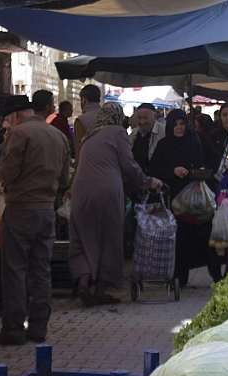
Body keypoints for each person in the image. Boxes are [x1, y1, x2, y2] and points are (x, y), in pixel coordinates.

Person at [0, 95, 71, 346]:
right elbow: (64, 179)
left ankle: (12, 329)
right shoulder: (58, 136)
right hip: (46, 212)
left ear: (14, 116)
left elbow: (8, 172)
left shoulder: (20, 134)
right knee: (41, 270)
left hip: (21, 210)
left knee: (15, 270)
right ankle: (38, 328)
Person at [69, 103, 162, 307]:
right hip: (107, 192)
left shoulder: (88, 136)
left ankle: (83, 284)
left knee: (84, 239)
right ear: (118, 117)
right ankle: (100, 291)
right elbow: (128, 165)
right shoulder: (118, 132)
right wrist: (147, 182)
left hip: (80, 192)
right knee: (110, 239)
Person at [149, 109, 220, 285]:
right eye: (176, 125)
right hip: (177, 200)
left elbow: (214, 157)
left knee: (206, 237)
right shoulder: (165, 145)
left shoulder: (198, 139)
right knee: (181, 240)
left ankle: (217, 276)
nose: (179, 128)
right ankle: (180, 277)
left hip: (201, 199)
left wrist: (204, 169)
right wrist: (173, 171)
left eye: (182, 124)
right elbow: (153, 169)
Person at [128, 103, 166, 175]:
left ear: (155, 117)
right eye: (139, 118)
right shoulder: (133, 134)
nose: (142, 121)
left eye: (145, 118)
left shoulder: (164, 132)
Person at [74, 84, 102, 161]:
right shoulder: (110, 116)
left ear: (84, 100)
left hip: (89, 166)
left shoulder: (82, 120)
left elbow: (80, 150)